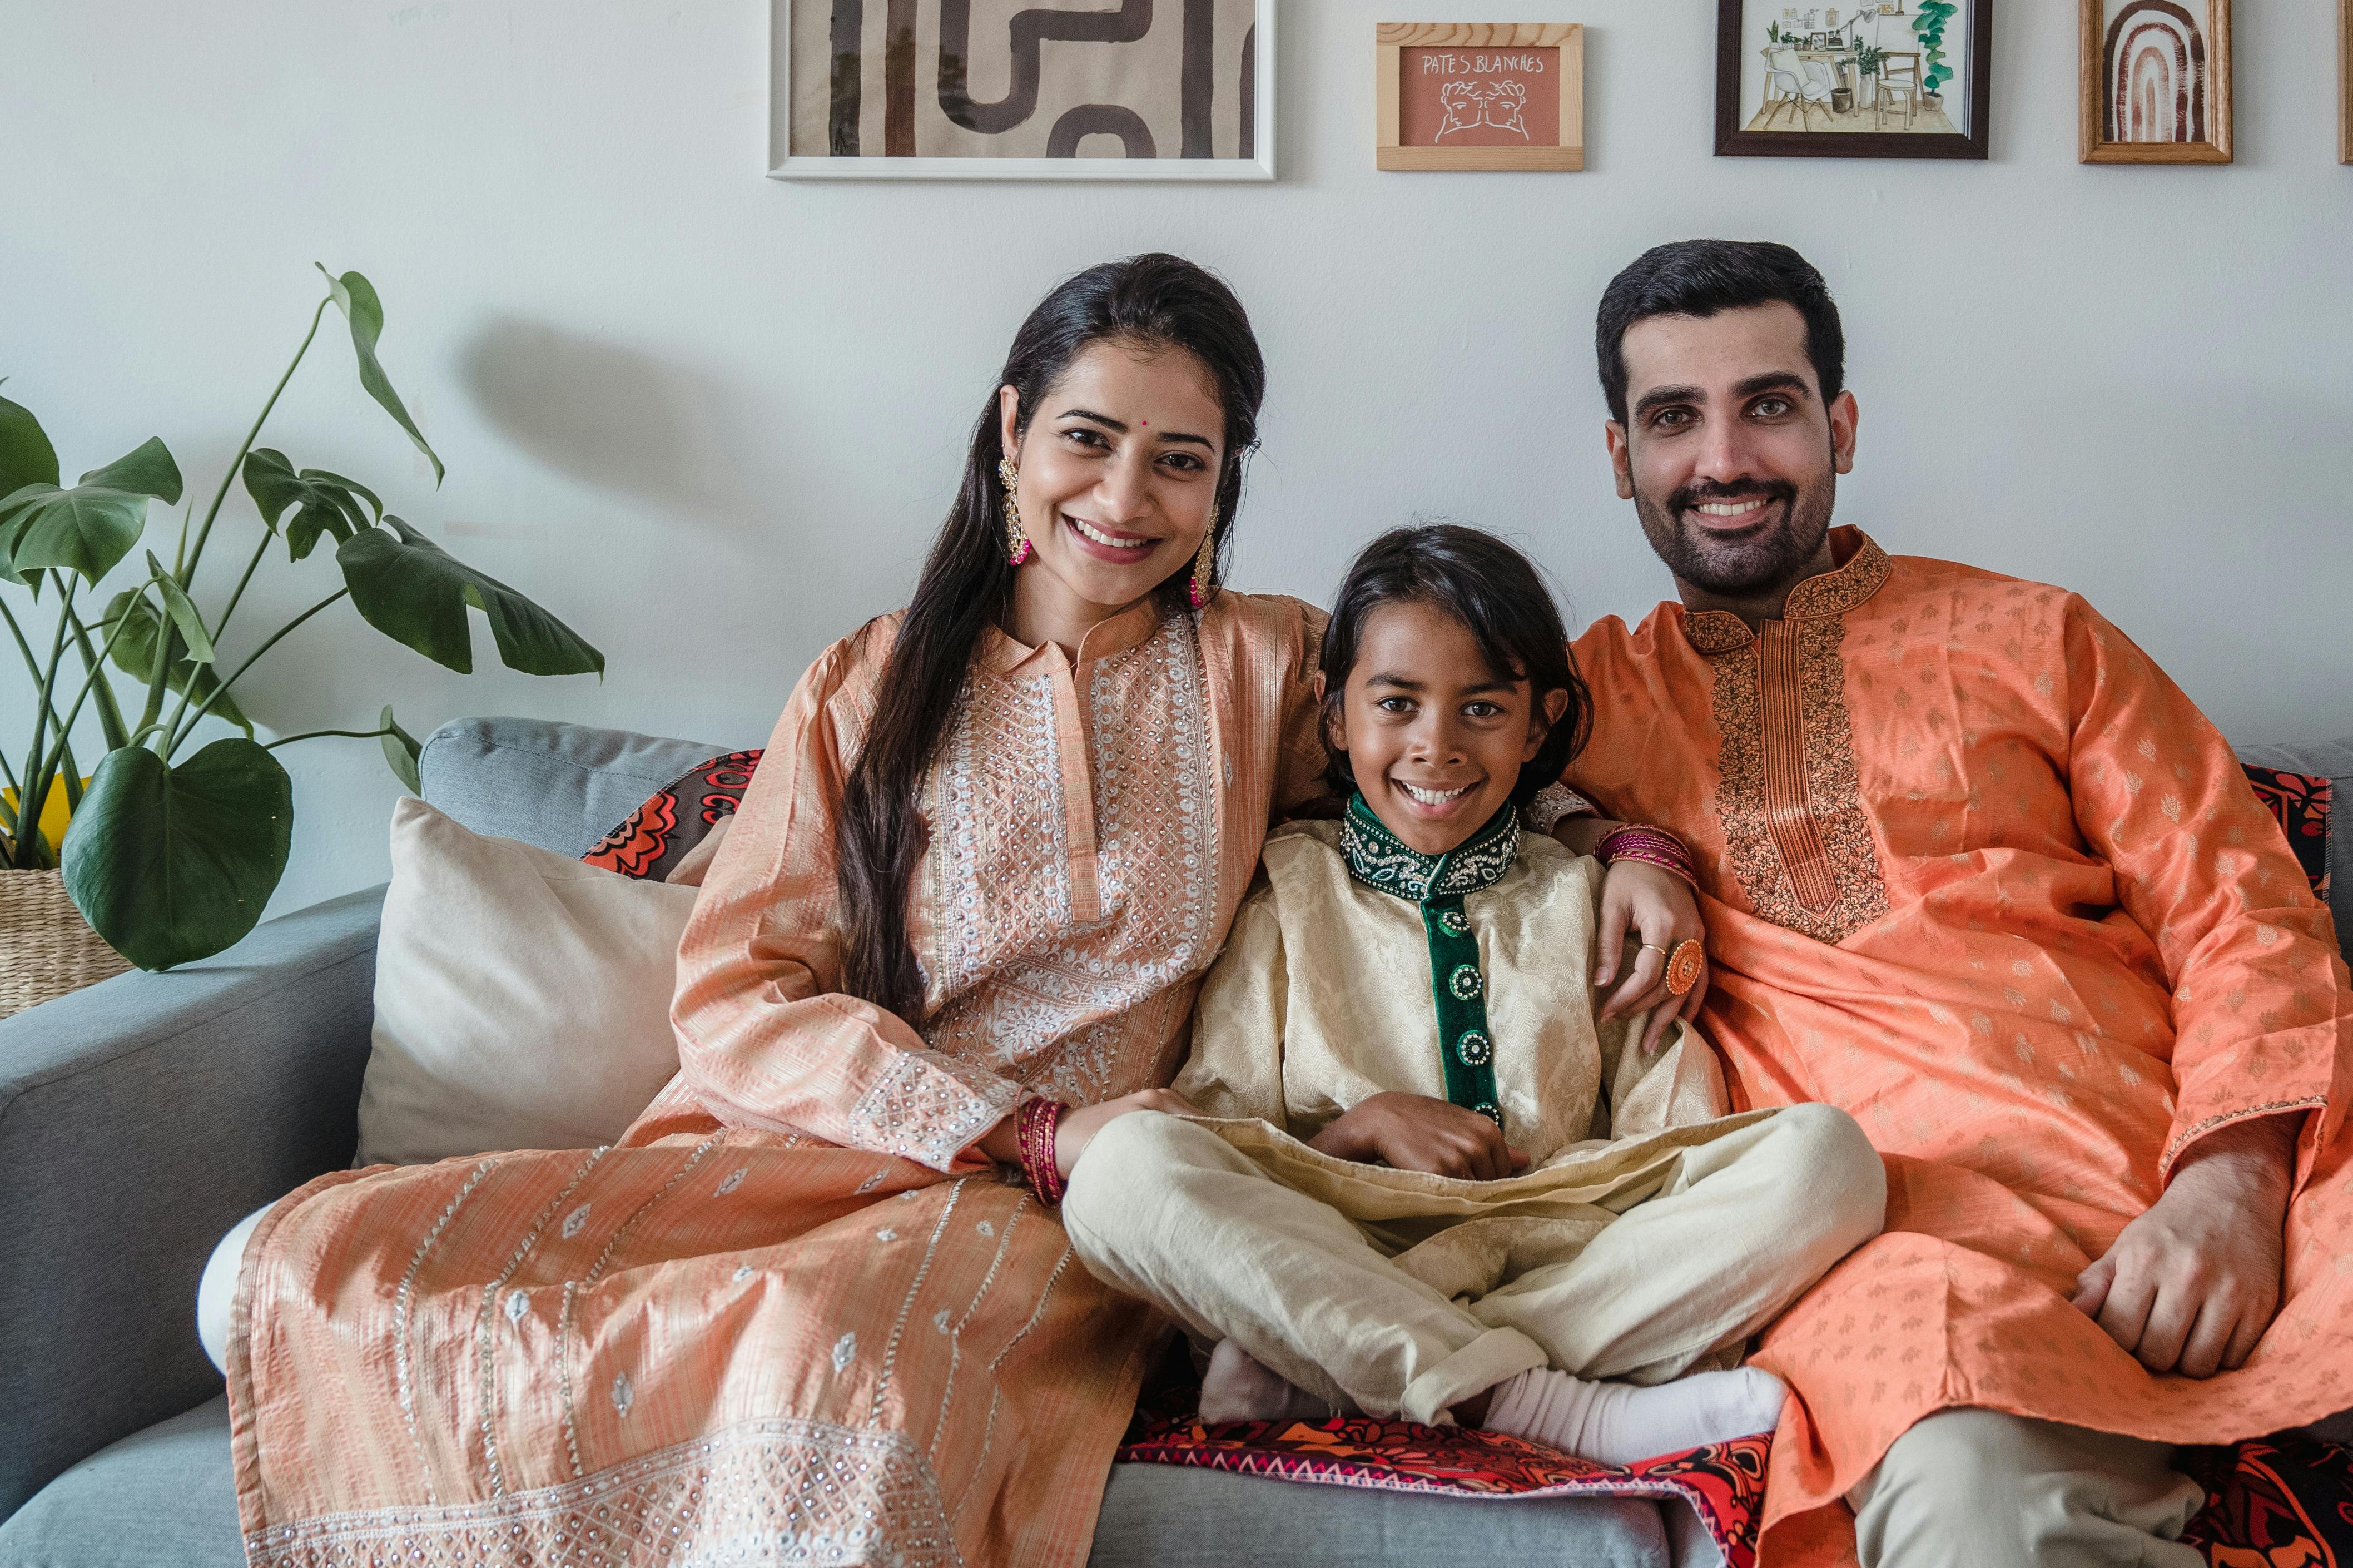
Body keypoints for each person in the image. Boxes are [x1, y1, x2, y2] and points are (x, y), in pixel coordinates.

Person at [212, 255, 1707, 1568]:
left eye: (1179, 462)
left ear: (1223, 484)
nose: (1125, 501)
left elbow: (1446, 758)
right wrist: (991, 1118)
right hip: (813, 1152)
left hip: (1067, 1209)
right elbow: (738, 997)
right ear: (1010, 430)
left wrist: (1629, 842)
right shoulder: (867, 684)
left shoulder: (1263, 670)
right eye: (1088, 440)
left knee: (824, 1362)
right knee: (286, 1272)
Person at [1561, 240, 2353, 1568]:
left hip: (2237, 1184)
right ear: (1620, 455)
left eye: (1767, 403)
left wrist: (2229, 1184)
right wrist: (1607, 832)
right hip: (1917, 1251)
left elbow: (2237, 900)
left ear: (1837, 424)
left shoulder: (2035, 637)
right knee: (1966, 1491)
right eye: (1673, 417)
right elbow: (1376, 763)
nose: (1724, 455)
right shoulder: (1569, 706)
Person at [1059, 524, 1884, 1466]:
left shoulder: (1585, 896)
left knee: (1831, 1161)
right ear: (1335, 719)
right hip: (1346, 1241)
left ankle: (1355, 1362)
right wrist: (1359, 1127)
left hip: (1569, 1244)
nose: (1436, 747)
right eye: (1397, 704)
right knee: (1121, 1172)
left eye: (1482, 709)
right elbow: (1220, 1128)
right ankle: (1558, 1407)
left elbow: (1666, 1119)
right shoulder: (1288, 887)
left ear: (1537, 726)